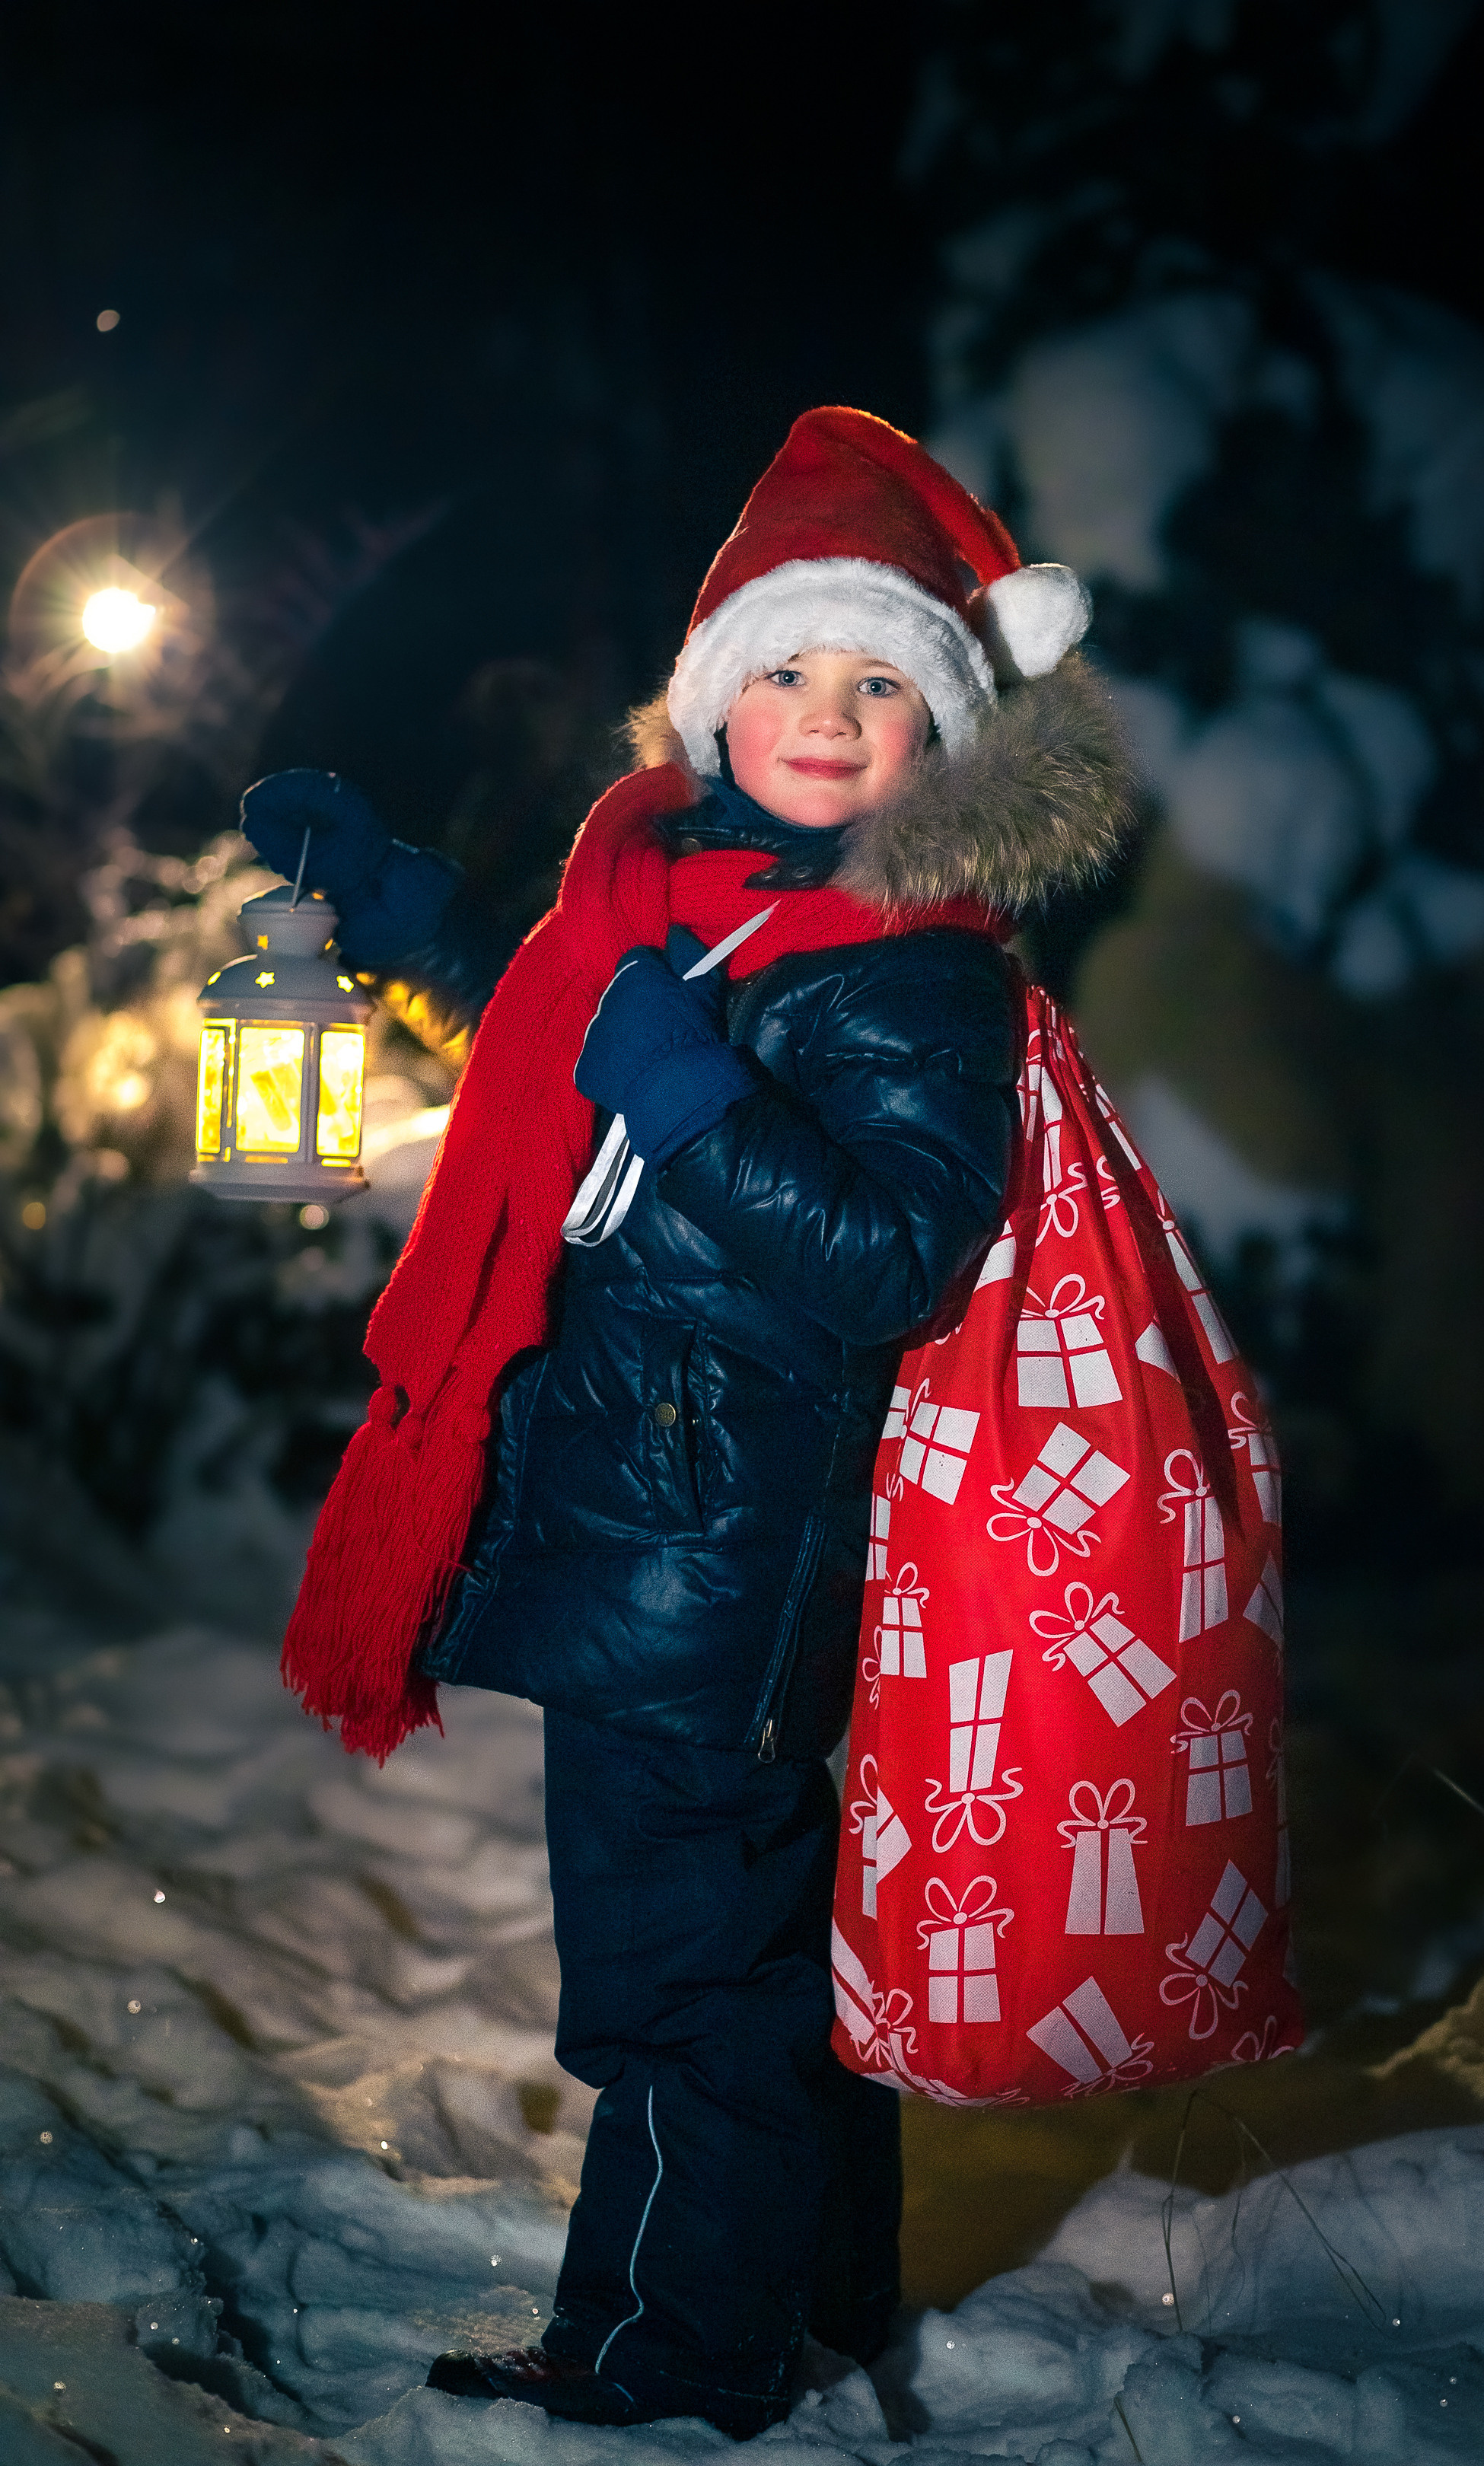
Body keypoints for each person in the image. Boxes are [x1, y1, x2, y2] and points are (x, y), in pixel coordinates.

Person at [240, 408, 1128, 2435]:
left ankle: (670, 2354)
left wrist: (695, 1099)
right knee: (740, 1956)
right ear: (715, 699)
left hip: (720, 1551)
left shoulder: (916, 967)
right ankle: (804, 2302)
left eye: (881, 681)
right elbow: (554, 1016)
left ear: (943, 736)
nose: (828, 714)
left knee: (678, 1980)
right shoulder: (671, 895)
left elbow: (891, 1253)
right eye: (790, 672)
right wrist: (390, 899)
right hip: (655, 1523)